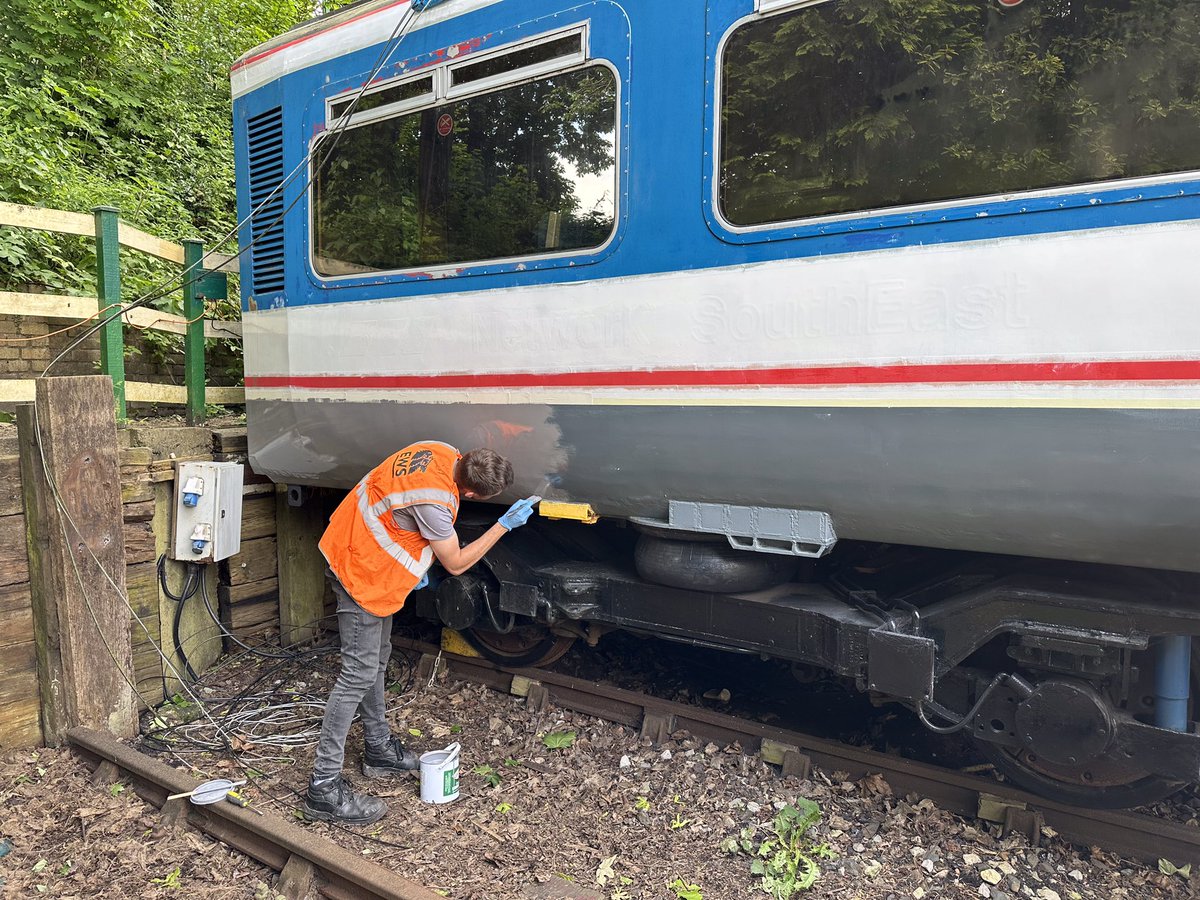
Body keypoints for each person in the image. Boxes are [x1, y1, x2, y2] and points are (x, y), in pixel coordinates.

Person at [303, 440, 537, 825]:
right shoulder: (436, 505)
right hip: (362, 571)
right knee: (356, 675)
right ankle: (323, 789)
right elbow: (458, 562)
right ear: (474, 492)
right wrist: (502, 526)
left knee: (376, 663)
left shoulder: (439, 449)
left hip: (363, 549)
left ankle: (378, 751)